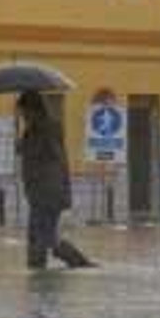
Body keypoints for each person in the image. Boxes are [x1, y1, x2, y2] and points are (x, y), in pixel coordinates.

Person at [16, 91, 94, 270]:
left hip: (48, 193)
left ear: (34, 110)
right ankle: (76, 265)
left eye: (24, 112)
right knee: (43, 237)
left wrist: (27, 147)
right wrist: (23, 145)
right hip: (38, 193)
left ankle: (75, 266)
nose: (23, 116)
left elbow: (55, 159)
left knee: (41, 238)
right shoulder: (33, 131)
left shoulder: (49, 129)